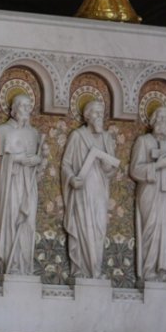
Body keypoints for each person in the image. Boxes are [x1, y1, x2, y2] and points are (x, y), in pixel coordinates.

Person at [61, 98, 120, 278]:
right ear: (87, 116)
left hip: (100, 191)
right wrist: (71, 179)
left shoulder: (107, 138)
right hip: (83, 191)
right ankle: (84, 270)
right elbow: (66, 164)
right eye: (95, 113)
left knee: (99, 228)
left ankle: (96, 268)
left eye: (101, 113)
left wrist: (106, 164)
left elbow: (112, 169)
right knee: (84, 227)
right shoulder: (78, 136)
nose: (98, 116)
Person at [0, 93, 48, 275]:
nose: (27, 109)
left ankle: (24, 265)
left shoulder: (33, 133)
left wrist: (40, 160)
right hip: (11, 183)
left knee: (28, 221)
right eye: (23, 105)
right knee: (11, 219)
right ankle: (10, 263)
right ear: (13, 109)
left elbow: (39, 168)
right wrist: (17, 159)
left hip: (28, 185)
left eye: (29, 106)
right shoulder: (3, 131)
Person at [129, 105, 166, 283]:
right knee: (150, 228)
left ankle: (164, 270)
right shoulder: (144, 141)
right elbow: (135, 170)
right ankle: (149, 270)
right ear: (152, 121)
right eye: (159, 117)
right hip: (150, 191)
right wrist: (158, 165)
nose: (162, 121)